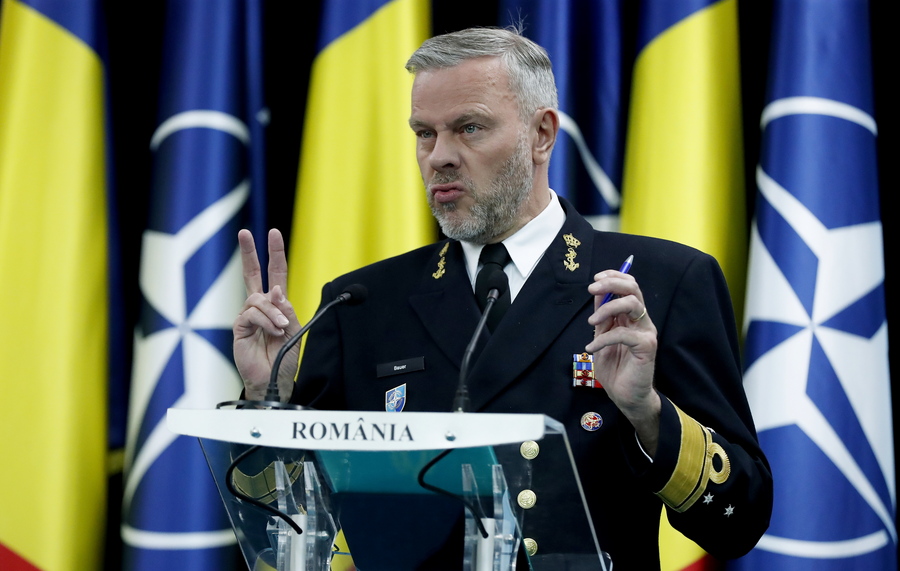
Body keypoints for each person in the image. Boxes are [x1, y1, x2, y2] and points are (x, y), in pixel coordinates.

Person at [233, 27, 772, 570]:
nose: (439, 157)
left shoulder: (663, 282)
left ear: (542, 134)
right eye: (424, 133)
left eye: (469, 128)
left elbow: (741, 520)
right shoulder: (361, 303)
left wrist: (647, 413)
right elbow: (290, 531)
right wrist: (265, 399)